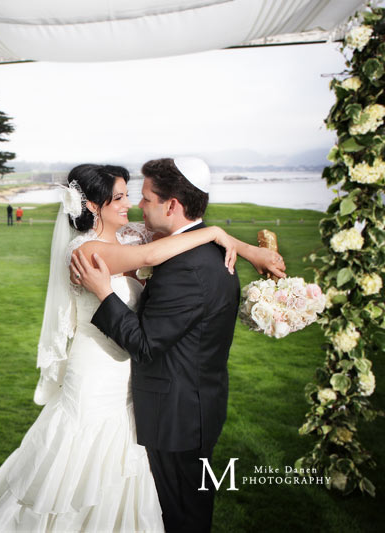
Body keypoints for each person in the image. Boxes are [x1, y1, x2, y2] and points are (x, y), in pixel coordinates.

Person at [0, 163, 284, 532]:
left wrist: (244, 248)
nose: (130, 204)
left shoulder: (132, 236)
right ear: (94, 206)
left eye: (132, 195)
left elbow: (175, 238)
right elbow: (151, 258)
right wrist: (215, 231)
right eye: (119, 197)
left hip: (132, 378)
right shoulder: (85, 252)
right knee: (84, 470)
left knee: (131, 474)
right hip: (97, 371)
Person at [71, 158, 284, 532]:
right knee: (181, 509)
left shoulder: (187, 267)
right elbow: (153, 254)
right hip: (195, 405)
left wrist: (105, 293)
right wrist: (231, 239)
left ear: (172, 206)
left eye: (146, 197)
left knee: (182, 515)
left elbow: (146, 344)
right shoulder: (203, 251)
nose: (138, 204)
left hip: (177, 417)